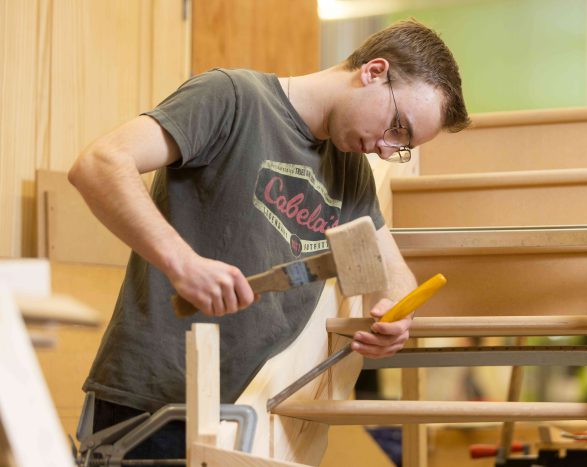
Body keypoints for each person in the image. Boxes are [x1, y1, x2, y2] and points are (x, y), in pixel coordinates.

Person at [69, 18, 469, 460]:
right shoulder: (232, 97)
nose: (388, 150)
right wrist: (182, 263)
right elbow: (100, 164)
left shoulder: (350, 170)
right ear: (374, 71)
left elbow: (392, 272)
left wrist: (396, 318)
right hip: (154, 407)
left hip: (258, 422)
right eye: (398, 127)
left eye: (404, 146)